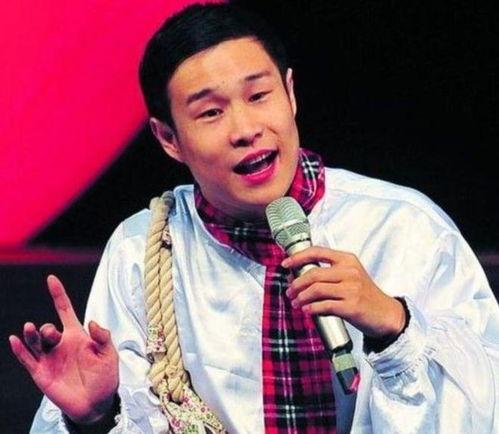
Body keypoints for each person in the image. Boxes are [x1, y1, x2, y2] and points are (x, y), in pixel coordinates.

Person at [9, 3, 499, 433]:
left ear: (290, 93)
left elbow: (486, 405)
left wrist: (395, 326)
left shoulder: (404, 227)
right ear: (168, 138)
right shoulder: (143, 250)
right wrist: (95, 418)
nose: (245, 129)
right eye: (210, 113)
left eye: (259, 96)